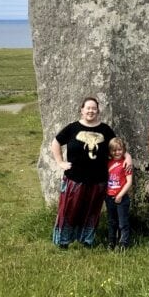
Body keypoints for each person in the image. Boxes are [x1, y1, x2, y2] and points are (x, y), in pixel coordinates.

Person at [50, 97, 126, 248]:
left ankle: (87, 240)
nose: (91, 111)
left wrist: (127, 158)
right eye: (88, 108)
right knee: (69, 210)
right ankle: (63, 241)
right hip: (74, 178)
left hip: (98, 180)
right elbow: (56, 142)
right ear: (82, 110)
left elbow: (117, 146)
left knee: (92, 212)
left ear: (98, 111)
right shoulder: (72, 128)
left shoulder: (105, 130)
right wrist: (60, 162)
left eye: (94, 108)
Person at [105, 137, 133, 249]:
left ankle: (124, 243)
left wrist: (120, 195)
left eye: (120, 150)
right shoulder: (108, 163)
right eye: (114, 150)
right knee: (112, 222)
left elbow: (129, 181)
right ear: (110, 152)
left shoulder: (125, 163)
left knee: (123, 222)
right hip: (109, 197)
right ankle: (111, 242)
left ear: (123, 150)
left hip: (122, 197)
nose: (117, 152)